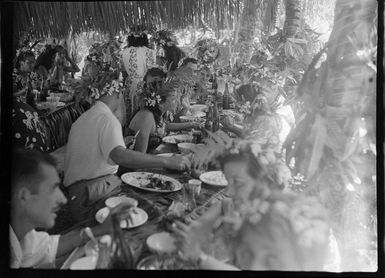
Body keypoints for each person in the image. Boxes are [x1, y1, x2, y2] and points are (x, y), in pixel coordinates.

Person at [172, 141, 330, 271]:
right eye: (228, 181)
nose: (230, 191)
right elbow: (224, 204)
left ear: (264, 180)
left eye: (238, 183)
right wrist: (200, 226)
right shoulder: (254, 207)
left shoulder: (281, 219)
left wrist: (199, 257)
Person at [64, 66, 191, 221]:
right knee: (159, 212)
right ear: (117, 93)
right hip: (93, 195)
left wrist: (121, 143)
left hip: (81, 195)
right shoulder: (106, 118)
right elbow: (119, 156)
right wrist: (166, 160)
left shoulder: (86, 117)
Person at [10, 149, 116, 268]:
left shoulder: (23, 236)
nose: (63, 199)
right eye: (53, 188)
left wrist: (100, 229)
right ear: (24, 196)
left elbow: (48, 246)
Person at [12, 49, 49, 151]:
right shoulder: (14, 75)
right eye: (29, 63)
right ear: (21, 62)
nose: (32, 65)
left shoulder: (32, 75)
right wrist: (24, 91)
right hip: (16, 110)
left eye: (33, 62)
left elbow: (40, 90)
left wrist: (43, 83)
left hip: (29, 108)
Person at [122, 32, 157, 119]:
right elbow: (152, 71)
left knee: (129, 109)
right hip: (144, 85)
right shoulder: (150, 52)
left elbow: (122, 69)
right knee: (142, 109)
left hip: (129, 84)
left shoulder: (124, 52)